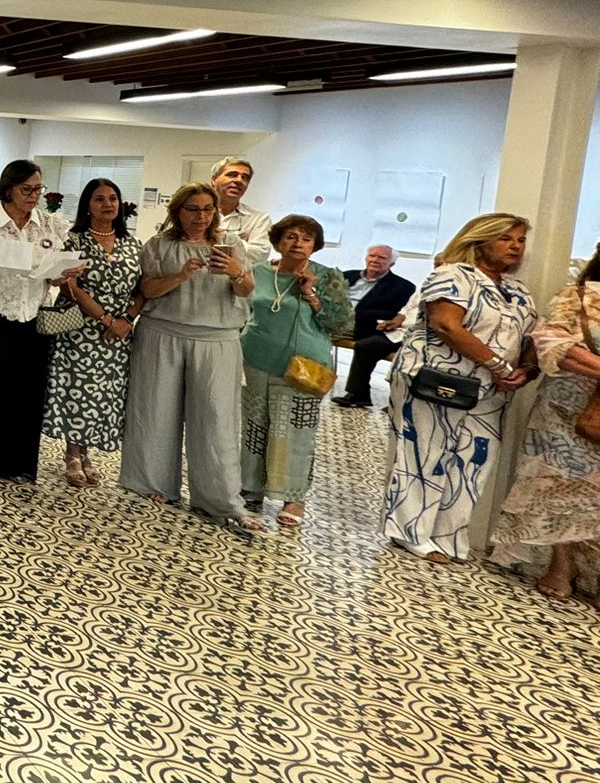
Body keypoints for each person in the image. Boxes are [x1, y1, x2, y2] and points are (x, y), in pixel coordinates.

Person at [383, 213, 535, 564]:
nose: (515, 247)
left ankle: (449, 534)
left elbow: (529, 337)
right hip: (437, 379)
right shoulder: (453, 275)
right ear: (480, 240)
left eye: (520, 241)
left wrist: (526, 368)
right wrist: (496, 364)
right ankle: (410, 530)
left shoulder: (518, 290)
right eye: (506, 239)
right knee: (424, 453)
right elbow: (446, 325)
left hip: (492, 390)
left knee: (474, 460)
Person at [120, 182, 266, 537]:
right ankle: (151, 483)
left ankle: (220, 499)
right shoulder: (159, 245)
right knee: (154, 411)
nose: (200, 217)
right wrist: (181, 275)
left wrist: (235, 271)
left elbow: (246, 291)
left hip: (216, 338)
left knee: (216, 418)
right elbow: (147, 290)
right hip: (162, 333)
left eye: (206, 209)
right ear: (178, 212)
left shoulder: (233, 247)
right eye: (192, 209)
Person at [492, 242, 600, 600]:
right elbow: (550, 339)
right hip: (564, 407)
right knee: (554, 487)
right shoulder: (580, 296)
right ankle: (561, 566)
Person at [0, 160, 75, 484]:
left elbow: (52, 278)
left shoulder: (51, 226)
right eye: (27, 189)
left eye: (39, 189)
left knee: (27, 393)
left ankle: (18, 463)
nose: (34, 196)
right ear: (9, 188)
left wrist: (63, 274)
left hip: (33, 317)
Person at [239, 214, 352, 528]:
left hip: (305, 365)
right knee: (254, 427)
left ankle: (294, 497)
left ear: (315, 245)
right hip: (257, 358)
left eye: (306, 238)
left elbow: (342, 324)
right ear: (278, 241)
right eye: (291, 236)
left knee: (296, 433)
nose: (298, 243)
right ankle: (250, 490)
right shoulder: (258, 272)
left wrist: (311, 295)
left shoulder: (327, 276)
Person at [45, 179, 143, 487]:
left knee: (101, 395)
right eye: (99, 199)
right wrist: (105, 319)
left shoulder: (133, 244)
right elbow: (71, 285)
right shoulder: (74, 240)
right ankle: (73, 453)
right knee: (77, 391)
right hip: (81, 329)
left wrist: (126, 319)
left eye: (113, 198)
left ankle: (87, 452)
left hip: (118, 334)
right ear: (87, 204)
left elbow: (144, 287)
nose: (107, 204)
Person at [332, 245, 416, 408]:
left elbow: (392, 313)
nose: (375, 260)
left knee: (316, 332)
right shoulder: (347, 275)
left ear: (391, 264)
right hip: (336, 320)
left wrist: (355, 314)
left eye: (382, 258)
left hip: (367, 327)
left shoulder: (402, 286)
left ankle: (356, 393)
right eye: (372, 256)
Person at [211, 158, 270, 268]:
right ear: (214, 180)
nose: (239, 180)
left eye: (245, 178)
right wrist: (239, 242)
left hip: (239, 282)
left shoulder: (258, 219)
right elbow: (189, 248)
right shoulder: (195, 214)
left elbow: (260, 255)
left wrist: (218, 237)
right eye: (232, 175)